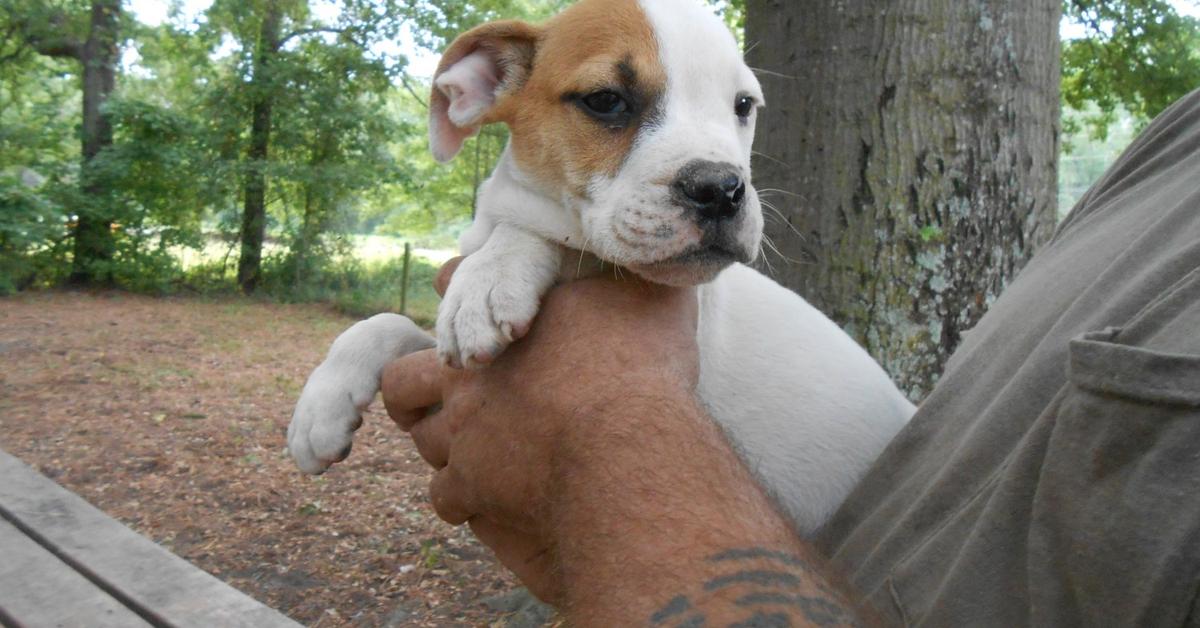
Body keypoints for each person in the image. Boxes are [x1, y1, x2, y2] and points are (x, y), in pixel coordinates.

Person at [381, 90, 1200, 626]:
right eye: (610, 103)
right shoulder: (1178, 134)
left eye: (741, 107)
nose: (725, 162)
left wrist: (603, 427)